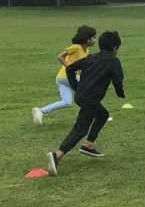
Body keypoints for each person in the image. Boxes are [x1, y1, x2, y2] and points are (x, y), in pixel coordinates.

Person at [45, 30, 125, 175]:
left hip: (81, 96)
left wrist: (76, 87)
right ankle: (57, 155)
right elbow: (118, 80)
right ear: (114, 48)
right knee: (80, 128)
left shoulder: (91, 57)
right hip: (90, 99)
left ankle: (88, 144)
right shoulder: (114, 61)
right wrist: (120, 93)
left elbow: (70, 68)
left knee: (102, 115)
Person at [32, 25, 96, 124]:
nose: (95, 40)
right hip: (68, 77)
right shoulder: (76, 47)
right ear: (88, 40)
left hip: (61, 78)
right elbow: (60, 56)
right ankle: (97, 115)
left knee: (67, 102)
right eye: (94, 37)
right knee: (89, 94)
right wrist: (70, 68)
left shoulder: (86, 51)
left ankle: (40, 111)